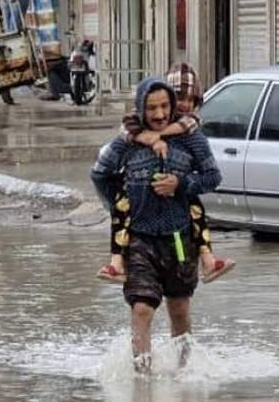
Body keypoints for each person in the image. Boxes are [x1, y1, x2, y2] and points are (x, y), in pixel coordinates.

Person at [91, 77, 223, 375]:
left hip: (179, 238)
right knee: (141, 308)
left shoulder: (191, 139)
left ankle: (183, 372)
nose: (160, 114)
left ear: (173, 105)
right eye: (152, 108)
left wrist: (181, 183)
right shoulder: (127, 142)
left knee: (179, 309)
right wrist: (121, 204)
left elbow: (213, 177)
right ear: (141, 109)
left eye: (165, 106)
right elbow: (99, 174)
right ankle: (143, 377)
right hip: (140, 239)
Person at [97, 63, 235, 285]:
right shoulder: (133, 129)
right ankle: (116, 263)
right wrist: (145, 137)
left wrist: (180, 183)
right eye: (179, 97)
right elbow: (102, 170)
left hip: (178, 230)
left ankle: (208, 260)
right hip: (140, 231)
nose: (184, 105)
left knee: (196, 212)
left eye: (191, 100)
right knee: (121, 211)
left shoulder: (191, 133)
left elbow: (212, 176)